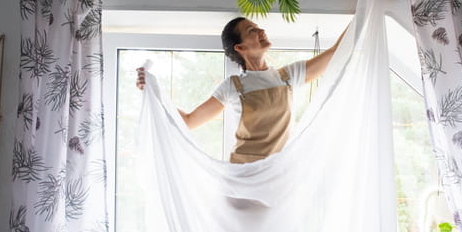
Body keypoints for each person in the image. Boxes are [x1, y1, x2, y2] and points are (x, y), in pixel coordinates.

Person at [137, 17, 346, 163]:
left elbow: (336, 51)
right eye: (252, 31)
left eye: (258, 27)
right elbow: (189, 121)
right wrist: (152, 91)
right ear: (240, 48)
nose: (261, 31)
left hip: (276, 175)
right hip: (243, 177)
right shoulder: (233, 86)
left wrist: (362, 6)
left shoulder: (288, 77)